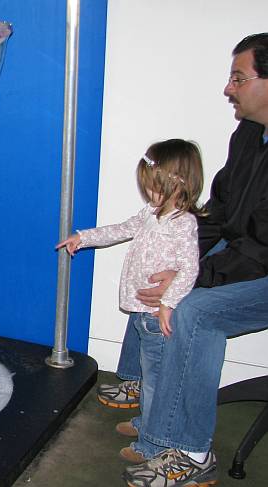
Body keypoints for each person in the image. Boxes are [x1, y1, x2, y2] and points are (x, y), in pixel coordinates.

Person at [123, 33, 268, 486]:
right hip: (244, 255)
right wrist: (172, 248)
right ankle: (145, 398)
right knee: (152, 262)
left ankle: (191, 451)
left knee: (194, 311)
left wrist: (190, 276)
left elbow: (262, 249)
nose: (229, 88)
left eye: (238, 78)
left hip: (262, 266)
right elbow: (220, 212)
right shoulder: (248, 135)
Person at [57, 139, 206, 464]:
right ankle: (145, 424)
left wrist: (167, 303)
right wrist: (84, 237)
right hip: (142, 314)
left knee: (156, 383)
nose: (148, 193)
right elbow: (122, 229)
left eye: (153, 186)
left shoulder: (184, 224)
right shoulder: (152, 214)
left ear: (177, 183)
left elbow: (189, 269)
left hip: (156, 317)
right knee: (148, 379)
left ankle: (152, 443)